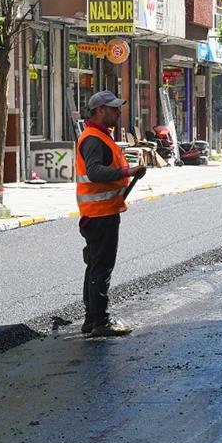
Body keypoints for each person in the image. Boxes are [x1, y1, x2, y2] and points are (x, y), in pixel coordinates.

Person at [76, 90, 146, 337]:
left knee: (95, 265)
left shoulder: (100, 136)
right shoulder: (94, 139)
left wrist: (128, 172)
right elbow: (95, 172)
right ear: (99, 111)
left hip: (100, 212)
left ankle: (90, 318)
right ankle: (101, 321)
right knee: (101, 268)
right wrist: (127, 172)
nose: (118, 112)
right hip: (100, 215)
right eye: (113, 108)